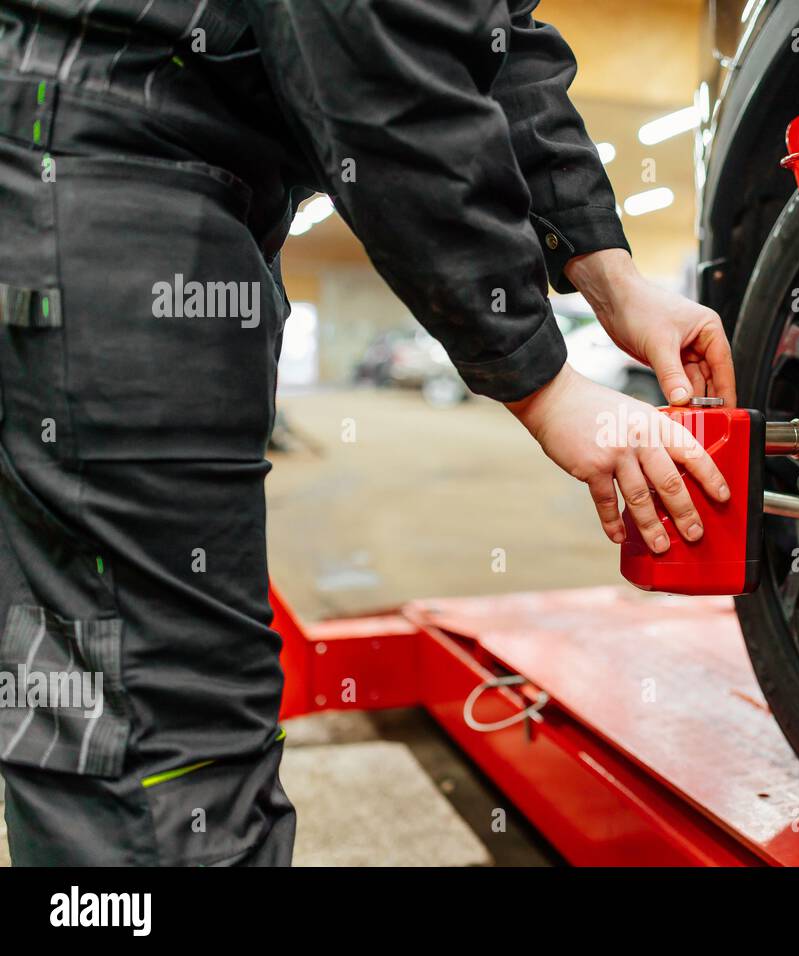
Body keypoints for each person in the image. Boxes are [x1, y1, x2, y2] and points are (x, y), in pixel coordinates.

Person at [0, 0, 734, 865]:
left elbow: (500, 43)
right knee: (161, 734)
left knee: (121, 685)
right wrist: (541, 382)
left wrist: (612, 277)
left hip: (122, 156)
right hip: (102, 158)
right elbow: (373, 42)